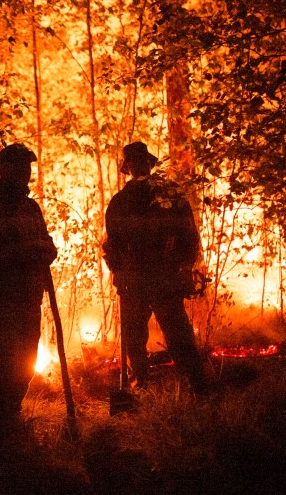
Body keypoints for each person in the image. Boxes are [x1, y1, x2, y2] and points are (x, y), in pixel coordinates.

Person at [103, 141, 207, 394]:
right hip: (152, 280)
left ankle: (154, 387)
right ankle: (194, 387)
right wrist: (120, 271)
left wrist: (120, 271)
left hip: (148, 280)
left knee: (149, 336)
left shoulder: (123, 201)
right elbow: (189, 238)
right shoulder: (168, 195)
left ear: (129, 167)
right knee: (155, 335)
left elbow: (111, 246)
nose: (138, 166)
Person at [0, 143, 57, 439]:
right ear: (3, 169)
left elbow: (45, 241)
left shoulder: (30, 207)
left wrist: (47, 249)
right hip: (2, 297)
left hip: (29, 295)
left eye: (28, 167)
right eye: (20, 167)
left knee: (26, 359)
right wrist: (26, 250)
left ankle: (11, 414)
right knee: (6, 359)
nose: (26, 173)